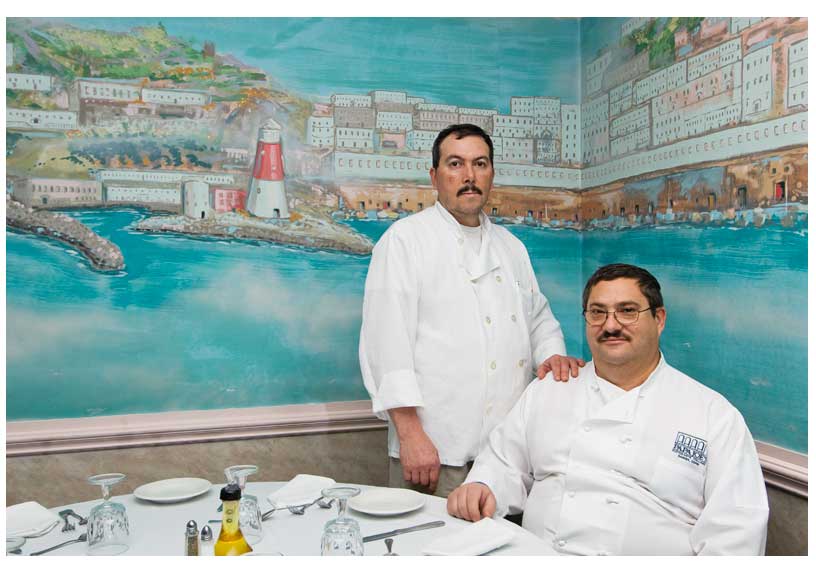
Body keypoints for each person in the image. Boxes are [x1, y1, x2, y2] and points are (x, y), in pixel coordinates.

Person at [447, 263, 769, 555]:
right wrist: (484, 486)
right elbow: (504, 463)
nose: (610, 325)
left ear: (659, 319)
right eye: (597, 312)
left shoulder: (713, 415)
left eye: (627, 311)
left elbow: (735, 531)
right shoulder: (550, 390)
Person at [359, 124, 583, 497]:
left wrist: (552, 356)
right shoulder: (404, 241)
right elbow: (386, 345)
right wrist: (411, 435)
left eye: (480, 164)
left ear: (491, 173)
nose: (469, 176)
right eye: (455, 164)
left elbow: (538, 319)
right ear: (434, 176)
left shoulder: (511, 247)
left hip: (506, 455)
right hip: (433, 450)